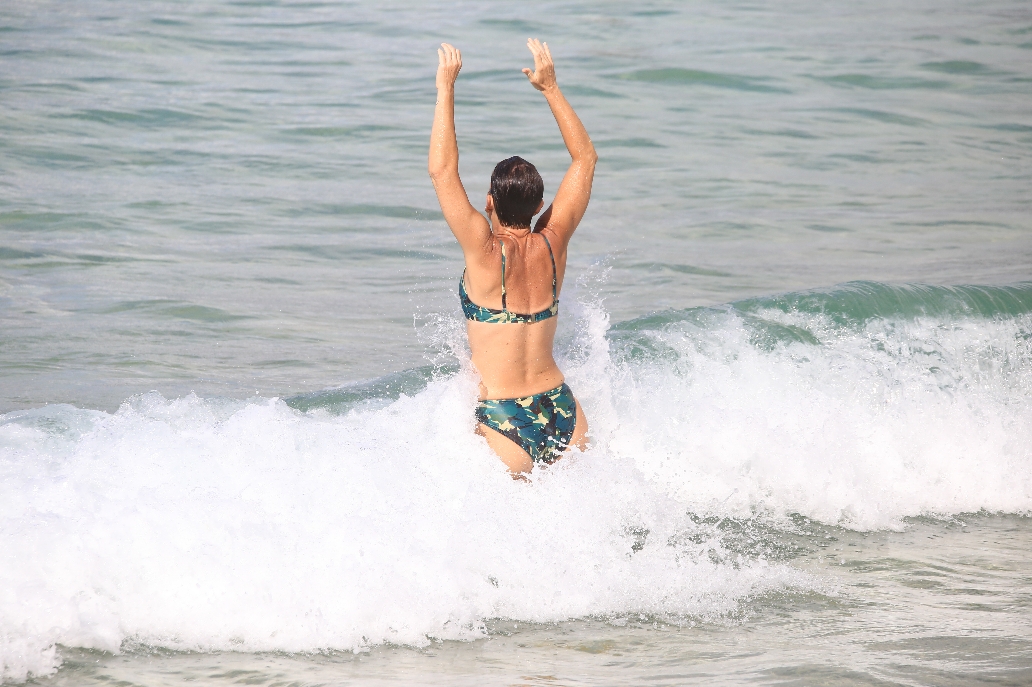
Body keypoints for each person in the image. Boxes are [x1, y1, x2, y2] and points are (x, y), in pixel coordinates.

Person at [429, 39, 597, 476]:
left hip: (504, 420)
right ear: (541, 207)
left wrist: (445, 88)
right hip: (562, 407)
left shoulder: (483, 252)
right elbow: (585, 159)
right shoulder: (554, 242)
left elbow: (442, 172)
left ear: (489, 203)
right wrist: (550, 88)